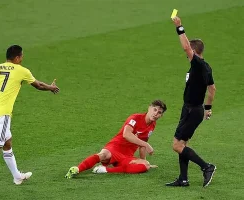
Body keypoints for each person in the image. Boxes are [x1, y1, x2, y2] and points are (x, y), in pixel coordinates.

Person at [0, 45, 60, 193]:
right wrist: (51, 88)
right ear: (18, 58)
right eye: (22, 56)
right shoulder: (22, 71)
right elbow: (38, 85)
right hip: (3, 116)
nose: (22, 58)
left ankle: (17, 176)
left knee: (7, 142)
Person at [165, 16, 216, 188]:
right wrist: (208, 108)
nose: (186, 54)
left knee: (177, 145)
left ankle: (206, 167)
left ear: (194, 52)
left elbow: (186, 46)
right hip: (195, 110)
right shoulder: (207, 67)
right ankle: (183, 179)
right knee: (182, 144)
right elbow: (212, 90)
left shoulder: (197, 64)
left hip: (191, 111)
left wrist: (179, 27)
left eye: (189, 53)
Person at [65, 100, 167, 178]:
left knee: (146, 166)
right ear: (149, 108)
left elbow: (142, 144)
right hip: (115, 147)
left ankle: (105, 170)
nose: (156, 113)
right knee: (103, 155)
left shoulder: (152, 125)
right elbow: (126, 134)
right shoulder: (135, 118)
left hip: (127, 156)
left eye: (159, 112)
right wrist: (146, 144)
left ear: (161, 115)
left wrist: (143, 160)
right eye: (155, 109)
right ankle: (77, 169)